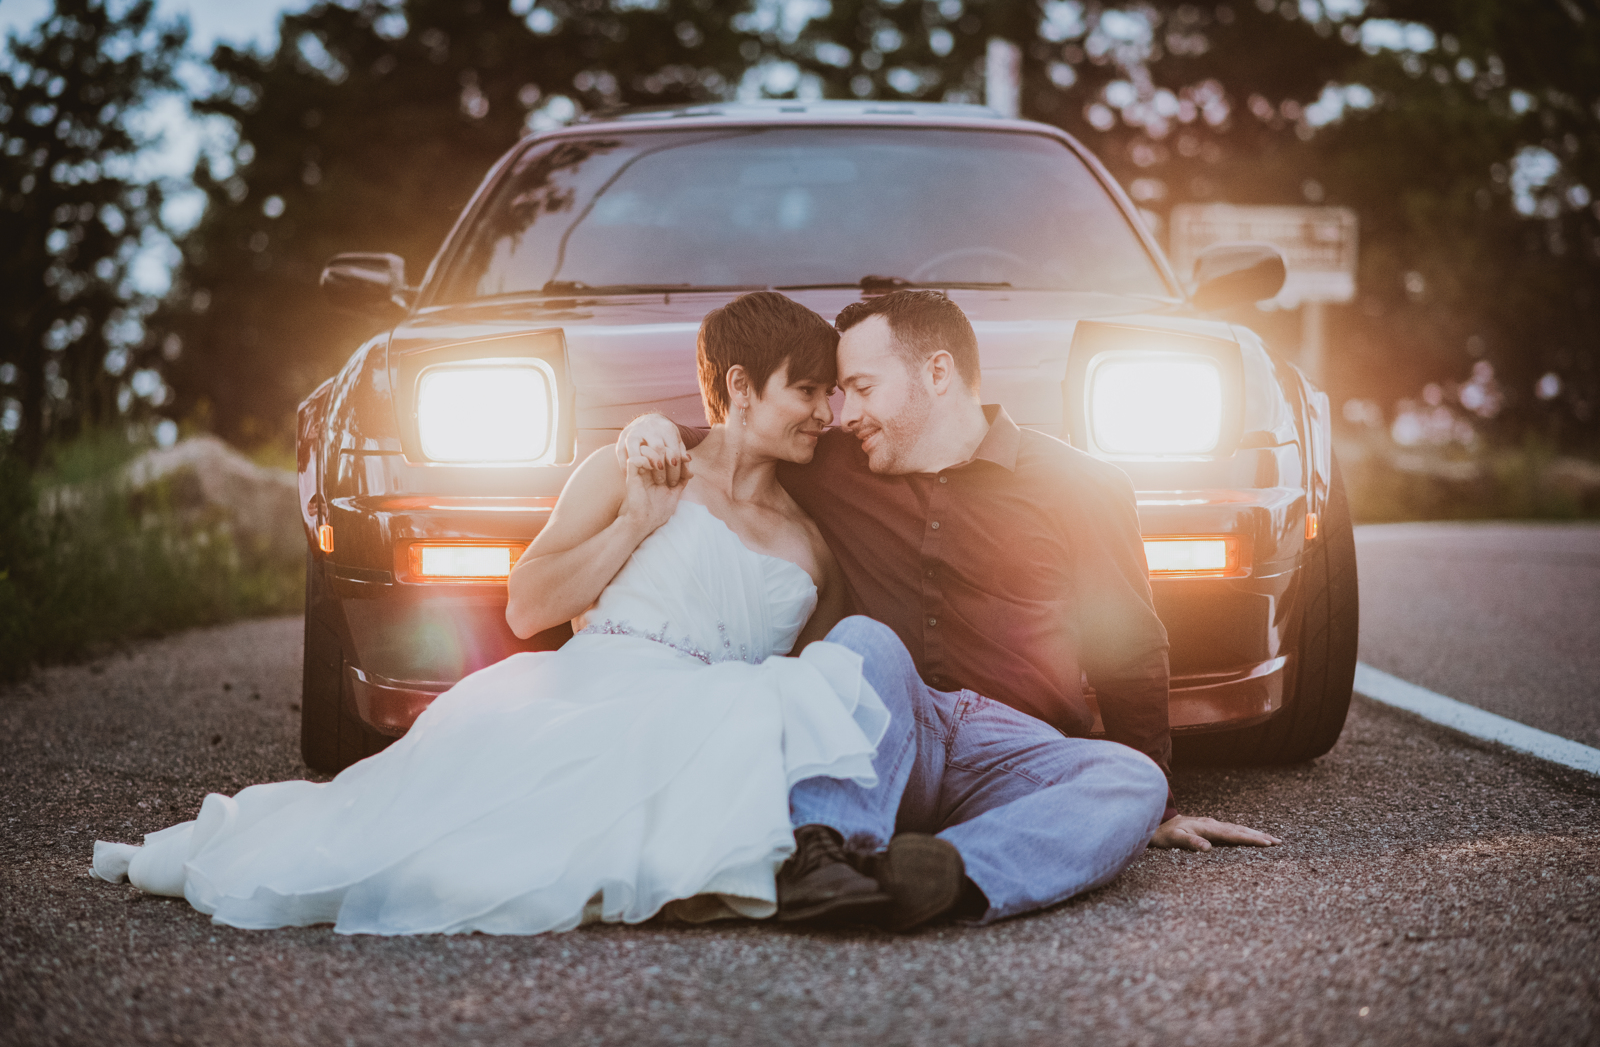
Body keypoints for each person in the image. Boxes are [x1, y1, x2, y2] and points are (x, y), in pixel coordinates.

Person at [89, 291, 895, 935]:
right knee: (435, 857)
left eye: (832, 393)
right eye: (808, 390)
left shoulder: (813, 547)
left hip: (715, 720)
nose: (826, 413)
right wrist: (635, 526)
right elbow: (529, 604)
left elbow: (811, 682)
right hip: (594, 695)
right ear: (741, 389)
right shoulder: (630, 472)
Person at [622, 289, 1279, 929]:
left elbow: (1130, 646)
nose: (843, 413)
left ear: (937, 372)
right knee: (863, 639)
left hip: (1010, 749)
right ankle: (822, 858)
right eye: (838, 394)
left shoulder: (1081, 483)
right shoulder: (830, 463)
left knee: (1134, 783)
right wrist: (649, 429)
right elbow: (731, 437)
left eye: (862, 388)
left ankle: (939, 877)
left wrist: (1155, 808)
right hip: (882, 731)